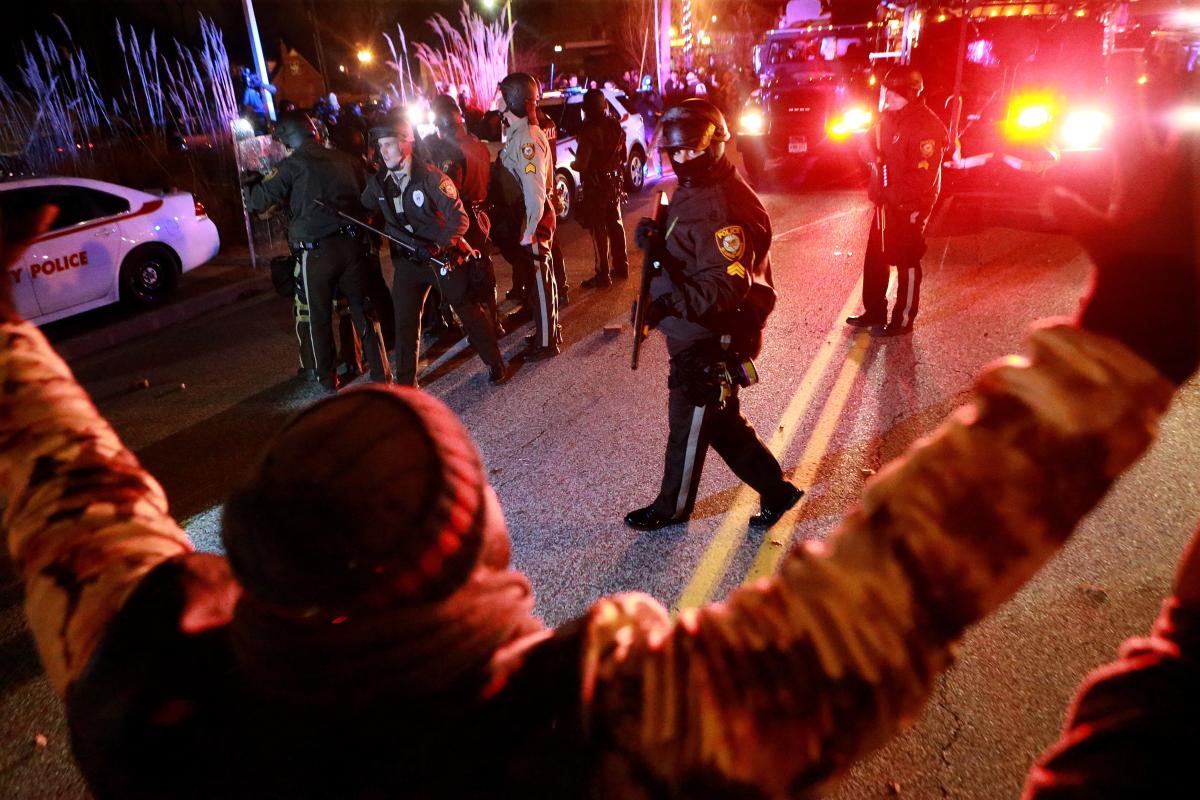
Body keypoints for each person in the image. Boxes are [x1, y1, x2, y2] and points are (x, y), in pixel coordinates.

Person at [1, 100, 1193, 795]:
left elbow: (78, 501)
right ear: (468, 568)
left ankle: (737, 480)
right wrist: (1132, 331)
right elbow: (886, 597)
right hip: (687, 341)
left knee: (710, 423)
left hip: (702, 339)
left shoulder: (149, 686)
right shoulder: (575, 742)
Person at [624, 99, 803, 532]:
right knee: (720, 422)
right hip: (693, 326)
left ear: (717, 146)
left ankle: (672, 507)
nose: (685, 160)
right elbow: (691, 250)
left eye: (694, 151)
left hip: (712, 333)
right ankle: (776, 490)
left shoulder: (722, 206)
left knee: (687, 423)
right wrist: (658, 242)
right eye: (677, 153)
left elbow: (724, 286)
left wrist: (667, 305)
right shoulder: (699, 186)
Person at [244, 111, 391, 391]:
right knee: (364, 311)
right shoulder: (346, 159)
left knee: (319, 316)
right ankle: (382, 373)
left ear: (289, 139)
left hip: (317, 253)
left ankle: (327, 378)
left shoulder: (292, 165)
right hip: (352, 247)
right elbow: (370, 196)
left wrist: (252, 183)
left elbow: (259, 202)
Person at [361, 109, 509, 387]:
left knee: (466, 310)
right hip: (408, 262)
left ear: (407, 142)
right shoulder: (378, 182)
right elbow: (364, 209)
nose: (383, 152)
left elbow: (459, 218)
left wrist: (438, 247)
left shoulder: (432, 178)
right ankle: (406, 383)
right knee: (405, 320)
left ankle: (495, 362)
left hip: (441, 258)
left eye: (389, 144)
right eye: (380, 146)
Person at [846, 67, 949, 336]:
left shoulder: (927, 128)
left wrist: (890, 194)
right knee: (876, 257)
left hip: (910, 205)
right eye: (886, 92)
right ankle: (874, 311)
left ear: (909, 94)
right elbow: (865, 144)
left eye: (892, 93)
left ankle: (903, 319)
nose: (887, 97)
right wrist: (871, 155)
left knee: (907, 260)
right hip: (885, 203)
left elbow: (922, 179)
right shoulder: (887, 119)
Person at [425, 93, 505, 337]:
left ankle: (478, 328)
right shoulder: (477, 144)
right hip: (482, 213)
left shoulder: (451, 152)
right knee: (484, 267)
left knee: (464, 274)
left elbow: (451, 191)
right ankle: (494, 319)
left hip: (464, 215)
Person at [495, 72, 560, 360]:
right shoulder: (519, 134)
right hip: (527, 214)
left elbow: (534, 190)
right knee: (540, 279)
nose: (498, 102)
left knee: (540, 281)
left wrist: (531, 228)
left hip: (532, 215)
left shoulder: (527, 140)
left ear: (513, 100)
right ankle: (548, 330)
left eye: (502, 97)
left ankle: (547, 342)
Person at [575, 88, 630, 289]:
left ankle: (603, 274)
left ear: (586, 108)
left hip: (596, 185)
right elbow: (623, 157)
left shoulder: (588, 129)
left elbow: (581, 164)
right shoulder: (615, 125)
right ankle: (622, 266)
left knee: (598, 228)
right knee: (615, 223)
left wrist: (574, 164)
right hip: (614, 184)